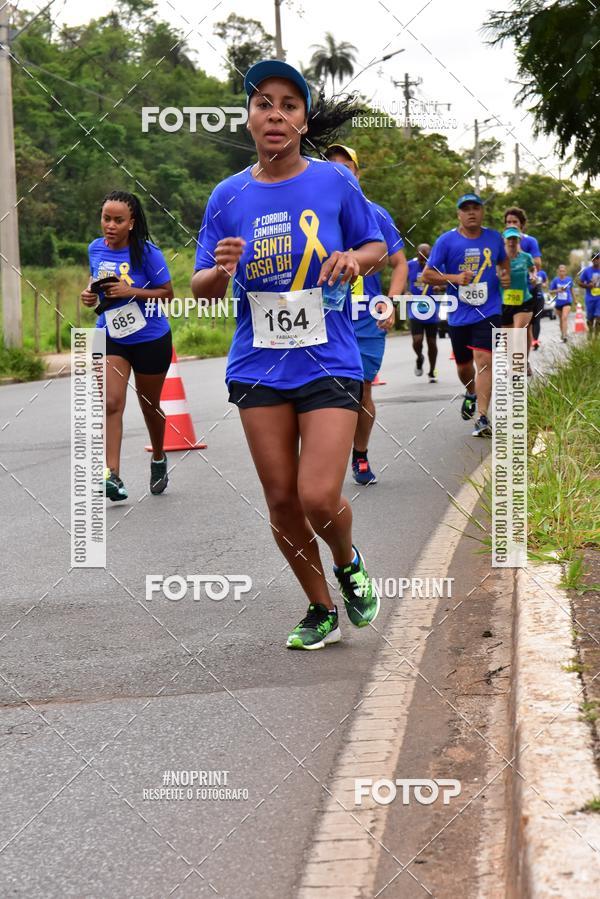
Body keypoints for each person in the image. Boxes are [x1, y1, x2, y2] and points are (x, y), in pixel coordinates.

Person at [191, 60, 387, 650]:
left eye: (289, 105)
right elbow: (201, 287)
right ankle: (320, 607)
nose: (275, 114)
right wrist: (220, 269)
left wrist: (353, 259)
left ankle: (347, 561)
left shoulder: (334, 182)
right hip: (258, 365)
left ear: (302, 120)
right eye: (263, 103)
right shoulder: (228, 195)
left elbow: (376, 244)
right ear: (249, 118)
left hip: (329, 358)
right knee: (281, 500)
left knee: (317, 495)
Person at [80, 191, 174, 501]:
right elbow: (94, 281)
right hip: (110, 336)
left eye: (118, 220)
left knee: (149, 405)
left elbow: (167, 293)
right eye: (106, 218)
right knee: (110, 402)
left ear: (131, 223)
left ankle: (158, 456)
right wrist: (89, 294)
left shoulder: (147, 253)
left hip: (150, 338)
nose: (110, 225)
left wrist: (130, 291)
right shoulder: (95, 248)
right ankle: (112, 475)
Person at [324, 143, 407, 486]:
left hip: (366, 317)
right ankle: (324, 461)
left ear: (358, 174)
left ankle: (359, 454)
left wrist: (391, 302)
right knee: (325, 391)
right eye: (333, 168)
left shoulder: (376, 214)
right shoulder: (315, 212)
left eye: (347, 168)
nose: (340, 174)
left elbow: (399, 263)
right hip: (325, 317)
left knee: (361, 391)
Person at [423, 193, 510, 438]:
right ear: (458, 214)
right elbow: (427, 275)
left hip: (489, 310)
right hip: (459, 313)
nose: (471, 212)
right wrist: (454, 278)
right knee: (464, 366)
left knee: (485, 360)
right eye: (466, 208)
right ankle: (471, 392)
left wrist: (504, 277)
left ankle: (482, 417)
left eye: (476, 208)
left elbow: (504, 263)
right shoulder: (446, 241)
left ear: (482, 212)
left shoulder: (494, 238)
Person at [503, 207, 544, 349]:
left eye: (515, 221)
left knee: (522, 330)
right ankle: (515, 359)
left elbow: (537, 265)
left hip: (527, 291)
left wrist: (531, 274)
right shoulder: (500, 241)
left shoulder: (530, 241)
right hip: (506, 293)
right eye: (508, 222)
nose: (511, 224)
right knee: (508, 335)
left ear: (521, 224)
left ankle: (522, 359)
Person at [501, 227, 536, 374]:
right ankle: (513, 363)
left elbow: (533, 268)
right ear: (504, 240)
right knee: (507, 338)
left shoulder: (526, 257)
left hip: (524, 301)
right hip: (504, 302)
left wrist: (533, 276)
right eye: (509, 239)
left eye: (514, 239)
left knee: (518, 333)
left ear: (519, 240)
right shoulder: (499, 258)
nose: (512, 242)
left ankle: (521, 364)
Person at [406, 243, 441, 382]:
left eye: (426, 259)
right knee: (417, 340)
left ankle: (432, 371)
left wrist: (440, 287)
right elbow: (402, 279)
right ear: (417, 255)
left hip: (432, 309)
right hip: (415, 308)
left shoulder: (437, 265)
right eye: (421, 259)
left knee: (432, 342)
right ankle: (419, 357)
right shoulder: (410, 265)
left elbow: (447, 281)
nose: (423, 262)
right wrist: (405, 291)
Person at [549, 264, 575, 341]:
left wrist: (575, 300)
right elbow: (550, 291)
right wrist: (558, 290)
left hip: (567, 302)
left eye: (563, 271)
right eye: (560, 271)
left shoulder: (569, 280)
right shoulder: (555, 280)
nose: (562, 272)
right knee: (561, 319)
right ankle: (563, 334)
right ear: (558, 272)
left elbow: (572, 290)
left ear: (566, 272)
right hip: (558, 303)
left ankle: (565, 335)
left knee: (564, 317)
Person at [579, 253, 600, 336]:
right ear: (592, 260)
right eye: (594, 258)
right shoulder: (587, 271)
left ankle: (596, 337)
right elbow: (580, 283)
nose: (596, 260)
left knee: (599, 318)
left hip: (599, 299)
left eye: (597, 258)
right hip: (590, 298)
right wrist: (588, 285)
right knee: (590, 318)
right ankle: (590, 333)